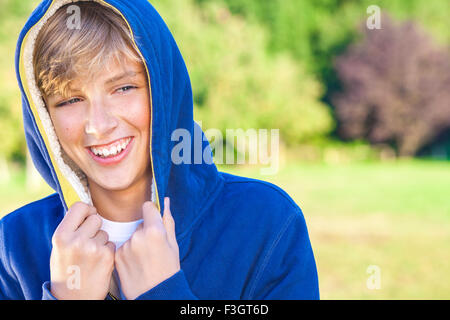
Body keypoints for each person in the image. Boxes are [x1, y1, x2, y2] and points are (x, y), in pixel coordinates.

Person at [0, 0, 319, 300]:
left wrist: (162, 292)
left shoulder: (266, 222)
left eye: (123, 88)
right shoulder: (14, 244)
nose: (98, 125)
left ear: (163, 89)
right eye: (70, 100)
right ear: (44, 117)